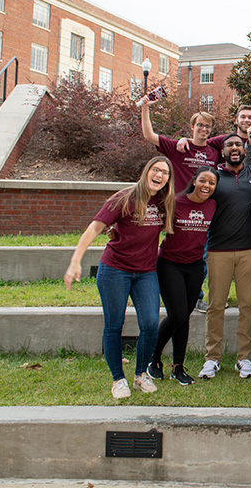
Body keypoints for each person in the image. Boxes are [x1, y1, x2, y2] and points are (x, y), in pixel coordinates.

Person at [63, 156, 175, 399]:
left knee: (151, 324)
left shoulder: (163, 202)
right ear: (146, 171)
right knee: (114, 325)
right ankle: (118, 379)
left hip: (146, 272)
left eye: (165, 173)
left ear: (168, 179)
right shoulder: (125, 198)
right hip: (115, 269)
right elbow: (94, 228)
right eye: (155, 170)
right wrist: (75, 262)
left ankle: (139, 375)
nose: (159, 175)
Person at [198, 133, 251, 381]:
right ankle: (212, 358)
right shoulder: (214, 177)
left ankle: (244, 359)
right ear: (222, 151)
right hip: (218, 250)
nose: (234, 148)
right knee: (216, 306)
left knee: (247, 306)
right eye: (229, 145)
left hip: (250, 249)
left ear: (245, 150)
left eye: (238, 144)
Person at [147, 166, 218, 385]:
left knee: (184, 317)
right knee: (177, 314)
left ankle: (178, 367)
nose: (207, 186)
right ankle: (153, 358)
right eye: (203, 181)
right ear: (195, 181)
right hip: (170, 264)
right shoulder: (175, 202)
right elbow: (149, 225)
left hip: (195, 265)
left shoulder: (213, 205)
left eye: (212, 183)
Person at [140, 99, 219, 192]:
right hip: (179, 202)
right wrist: (145, 108)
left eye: (207, 126)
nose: (204, 129)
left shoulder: (215, 153)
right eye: (200, 125)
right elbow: (149, 135)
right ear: (192, 127)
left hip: (204, 203)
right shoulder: (177, 147)